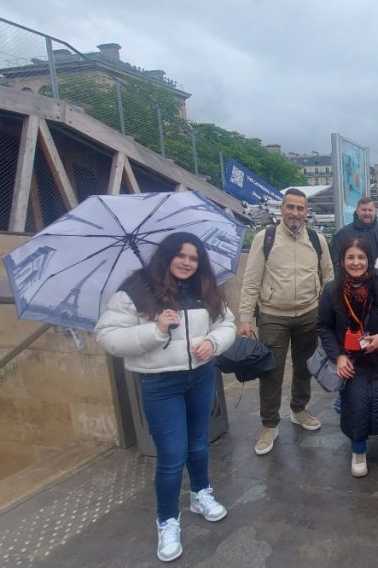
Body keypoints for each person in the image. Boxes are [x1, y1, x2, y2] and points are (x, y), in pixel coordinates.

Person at [95, 232, 236, 563]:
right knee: (172, 456)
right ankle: (167, 520)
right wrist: (156, 330)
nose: (187, 262)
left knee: (199, 443)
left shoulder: (205, 289)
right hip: (160, 384)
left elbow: (227, 324)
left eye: (193, 258)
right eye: (181, 255)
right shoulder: (137, 290)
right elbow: (108, 336)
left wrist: (212, 344)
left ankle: (200, 494)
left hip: (200, 376)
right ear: (167, 256)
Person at [238, 188, 334, 455]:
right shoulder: (265, 238)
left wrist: (329, 313)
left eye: (300, 208)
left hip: (308, 313)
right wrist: (245, 318)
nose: (295, 213)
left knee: (305, 366)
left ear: (306, 212)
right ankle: (269, 423)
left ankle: (299, 409)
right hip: (273, 315)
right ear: (281, 209)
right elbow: (251, 281)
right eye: (290, 207)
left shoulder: (317, 239)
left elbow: (329, 279)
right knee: (271, 370)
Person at [317, 237, 378, 477]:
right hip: (350, 360)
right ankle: (358, 449)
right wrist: (337, 357)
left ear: (369, 259)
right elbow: (324, 326)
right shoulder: (331, 290)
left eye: (361, 257)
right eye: (351, 257)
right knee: (355, 405)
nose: (356, 262)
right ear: (342, 260)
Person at [330, 197, 378, 273]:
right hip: (351, 280)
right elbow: (336, 261)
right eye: (364, 210)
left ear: (375, 211)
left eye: (370, 210)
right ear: (357, 211)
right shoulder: (343, 234)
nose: (367, 213)